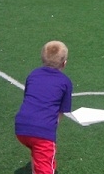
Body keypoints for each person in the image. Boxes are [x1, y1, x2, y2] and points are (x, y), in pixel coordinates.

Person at [15, 40, 73, 174]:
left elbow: (28, 98)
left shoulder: (33, 74)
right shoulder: (65, 82)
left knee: (37, 153)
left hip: (21, 127)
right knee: (45, 167)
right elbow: (61, 111)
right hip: (42, 132)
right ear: (64, 63)